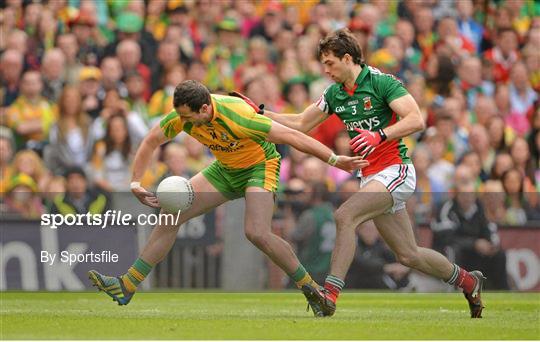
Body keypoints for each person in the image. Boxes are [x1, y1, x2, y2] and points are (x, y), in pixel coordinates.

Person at [88, 80, 366, 315]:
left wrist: (334, 158)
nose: (181, 124)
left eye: (187, 118)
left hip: (259, 166)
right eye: (180, 116)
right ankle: (127, 285)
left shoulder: (239, 115)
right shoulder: (182, 117)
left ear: (206, 108)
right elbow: (150, 140)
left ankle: (310, 288)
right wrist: (135, 181)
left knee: (256, 232)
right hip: (224, 169)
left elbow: (293, 136)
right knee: (170, 216)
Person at [263, 28, 486, 318]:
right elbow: (301, 122)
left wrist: (379, 135)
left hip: (396, 171)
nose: (326, 70)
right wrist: (259, 112)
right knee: (408, 254)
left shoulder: (382, 83)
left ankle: (329, 295)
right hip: (373, 178)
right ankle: (469, 281)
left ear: (347, 58)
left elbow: (416, 119)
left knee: (345, 215)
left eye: (330, 63)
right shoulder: (335, 93)